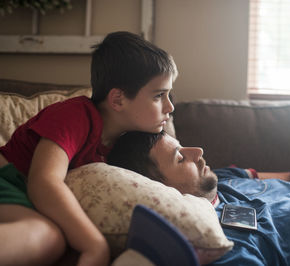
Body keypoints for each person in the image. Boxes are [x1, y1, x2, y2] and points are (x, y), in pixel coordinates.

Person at [0, 31, 177, 266]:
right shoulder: (76, 116)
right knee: (48, 238)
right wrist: (95, 244)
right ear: (118, 100)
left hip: (23, 196)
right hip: (8, 179)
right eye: (159, 96)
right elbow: (44, 182)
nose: (170, 106)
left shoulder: (123, 142)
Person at [107, 131, 290, 265]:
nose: (197, 153)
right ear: (160, 189)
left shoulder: (220, 178)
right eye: (180, 157)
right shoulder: (219, 246)